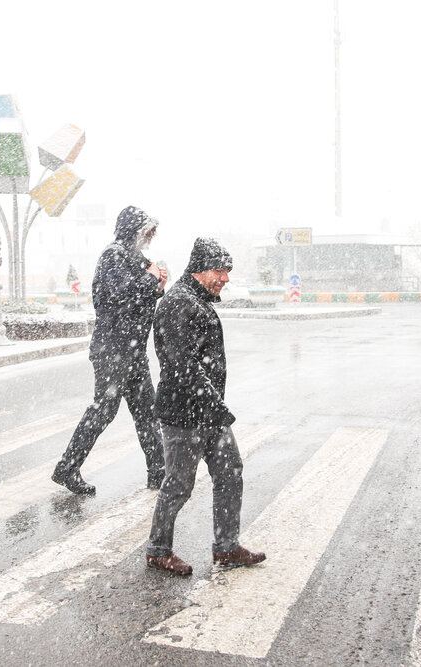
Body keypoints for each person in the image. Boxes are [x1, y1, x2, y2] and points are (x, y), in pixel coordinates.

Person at [145, 237, 266, 576]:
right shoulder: (178, 304)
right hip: (185, 414)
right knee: (179, 484)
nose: (225, 278)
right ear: (199, 270)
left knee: (230, 473)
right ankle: (158, 550)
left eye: (227, 271)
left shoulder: (197, 301)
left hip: (208, 411)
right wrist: (214, 404)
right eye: (219, 271)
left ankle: (226, 547)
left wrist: (214, 408)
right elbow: (182, 366)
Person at [51, 205, 168, 495]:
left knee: (147, 413)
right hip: (113, 349)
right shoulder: (113, 255)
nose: (151, 237)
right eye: (147, 231)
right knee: (103, 411)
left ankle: (159, 472)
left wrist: (158, 286)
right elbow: (120, 297)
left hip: (132, 351)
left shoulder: (136, 258)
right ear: (133, 230)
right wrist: (151, 279)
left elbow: (139, 297)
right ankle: (67, 468)